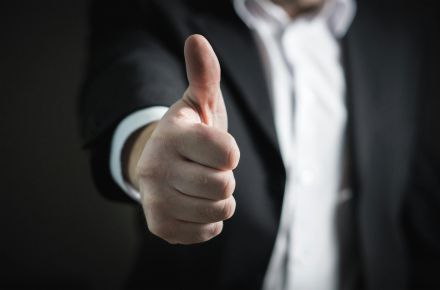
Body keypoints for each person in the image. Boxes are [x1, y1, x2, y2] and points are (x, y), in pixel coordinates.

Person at [79, 0, 439, 289]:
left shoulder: (411, 21)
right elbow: (132, 82)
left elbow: (420, 208)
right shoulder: (155, 8)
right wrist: (150, 153)